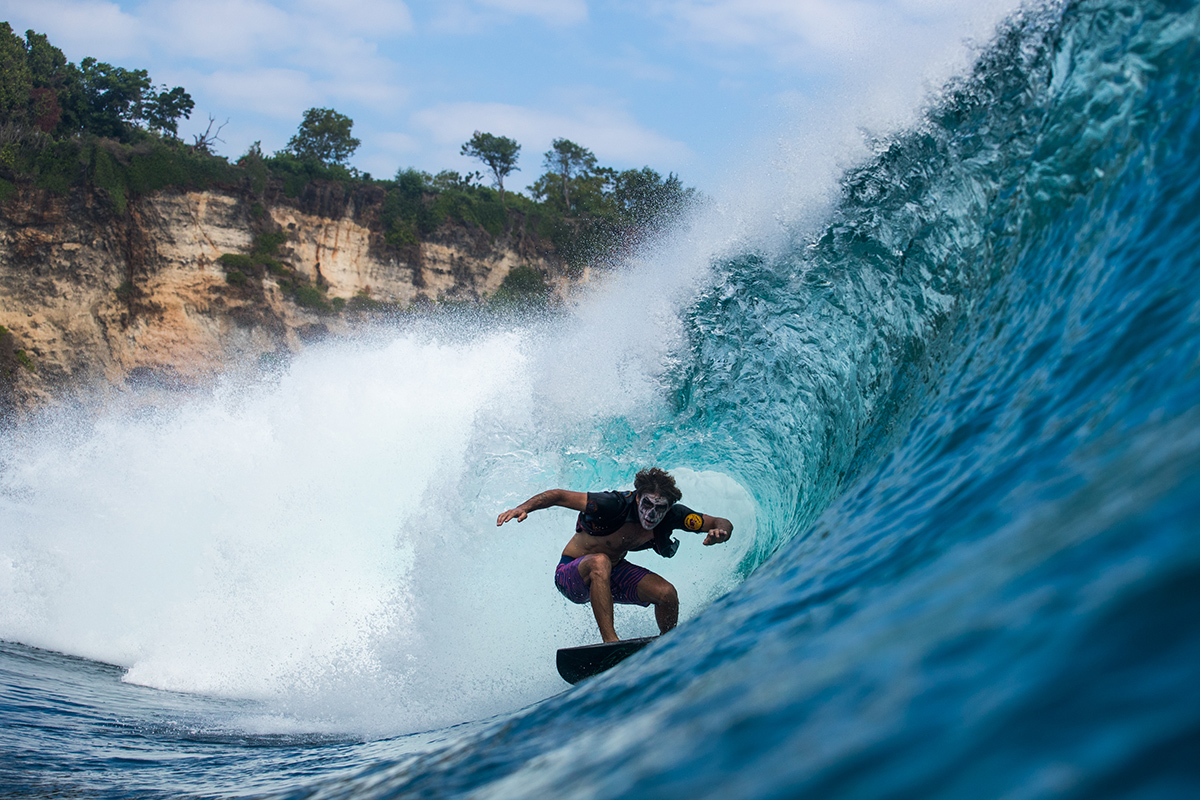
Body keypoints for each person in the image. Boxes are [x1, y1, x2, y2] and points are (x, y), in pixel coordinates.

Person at [496, 467, 734, 642]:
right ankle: (611, 643)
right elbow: (559, 496)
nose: (652, 514)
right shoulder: (612, 504)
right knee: (600, 562)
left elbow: (719, 521)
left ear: (669, 508)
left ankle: (668, 644)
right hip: (573, 575)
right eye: (647, 505)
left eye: (660, 508)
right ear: (638, 497)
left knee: (667, 594)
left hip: (613, 574)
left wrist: (722, 532)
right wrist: (524, 507)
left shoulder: (674, 515)